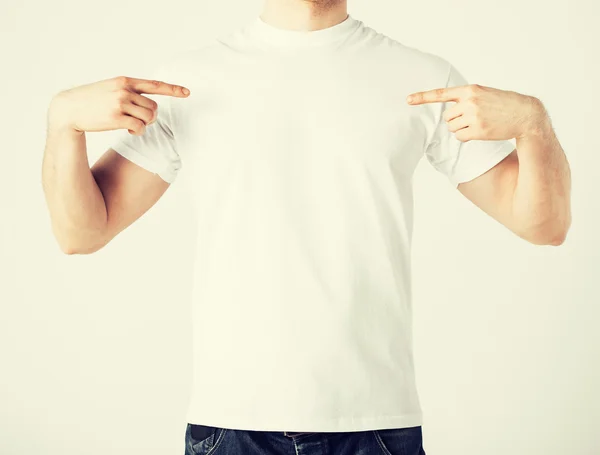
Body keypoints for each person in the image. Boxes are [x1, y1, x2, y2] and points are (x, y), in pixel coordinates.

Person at [41, 0, 572, 453]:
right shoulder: (188, 84)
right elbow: (82, 232)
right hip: (234, 426)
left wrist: (534, 124)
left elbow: (542, 225)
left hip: (375, 427)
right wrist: (62, 120)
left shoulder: (424, 79)